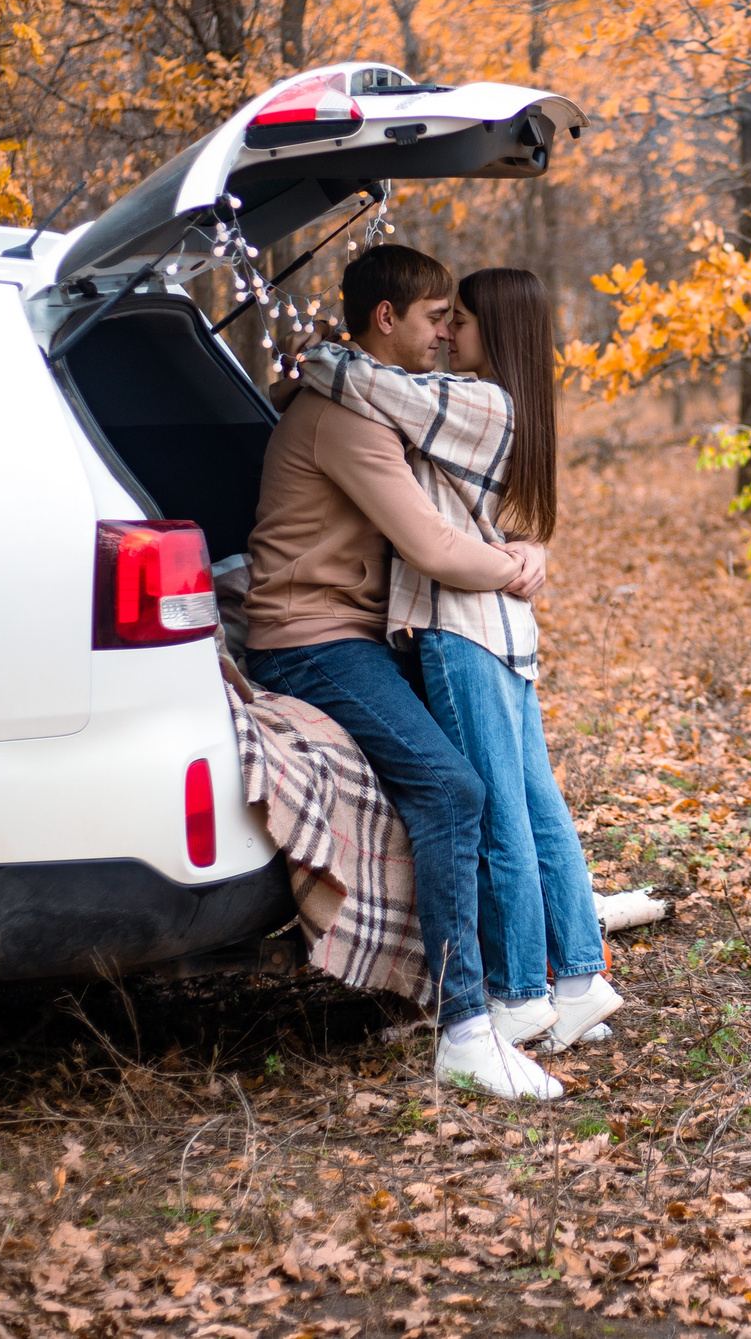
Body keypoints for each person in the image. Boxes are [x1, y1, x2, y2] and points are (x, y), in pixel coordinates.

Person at [242, 245, 563, 1101]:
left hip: (357, 632)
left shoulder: (373, 400)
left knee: (492, 765)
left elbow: (461, 508)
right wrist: (516, 567)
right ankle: (466, 1027)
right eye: (433, 319)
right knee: (451, 789)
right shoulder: (346, 419)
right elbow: (432, 545)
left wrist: (521, 543)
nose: (446, 335)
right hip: (309, 640)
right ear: (386, 318)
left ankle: (531, 980)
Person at [306, 268, 621, 1056]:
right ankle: (579, 980)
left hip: (463, 625)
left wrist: (307, 358)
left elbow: (365, 380)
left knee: (501, 819)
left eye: (463, 321)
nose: (449, 333)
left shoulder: (475, 400)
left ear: (496, 332)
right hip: (507, 625)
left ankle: (518, 993)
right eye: (444, 320)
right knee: (540, 808)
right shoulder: (517, 405)